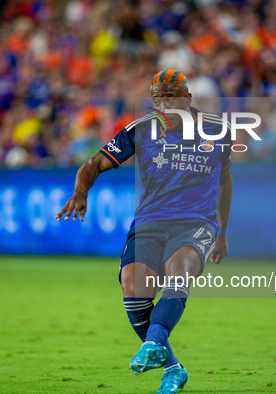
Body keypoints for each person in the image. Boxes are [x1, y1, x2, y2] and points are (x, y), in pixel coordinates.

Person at [55, 70, 233, 394]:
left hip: (196, 223)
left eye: (173, 97)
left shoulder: (217, 131)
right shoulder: (140, 130)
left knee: (178, 272)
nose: (166, 104)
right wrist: (81, 192)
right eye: (159, 99)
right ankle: (173, 369)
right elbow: (94, 163)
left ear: (188, 99)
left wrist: (221, 233)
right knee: (133, 289)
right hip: (150, 221)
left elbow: (224, 181)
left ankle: (152, 343)